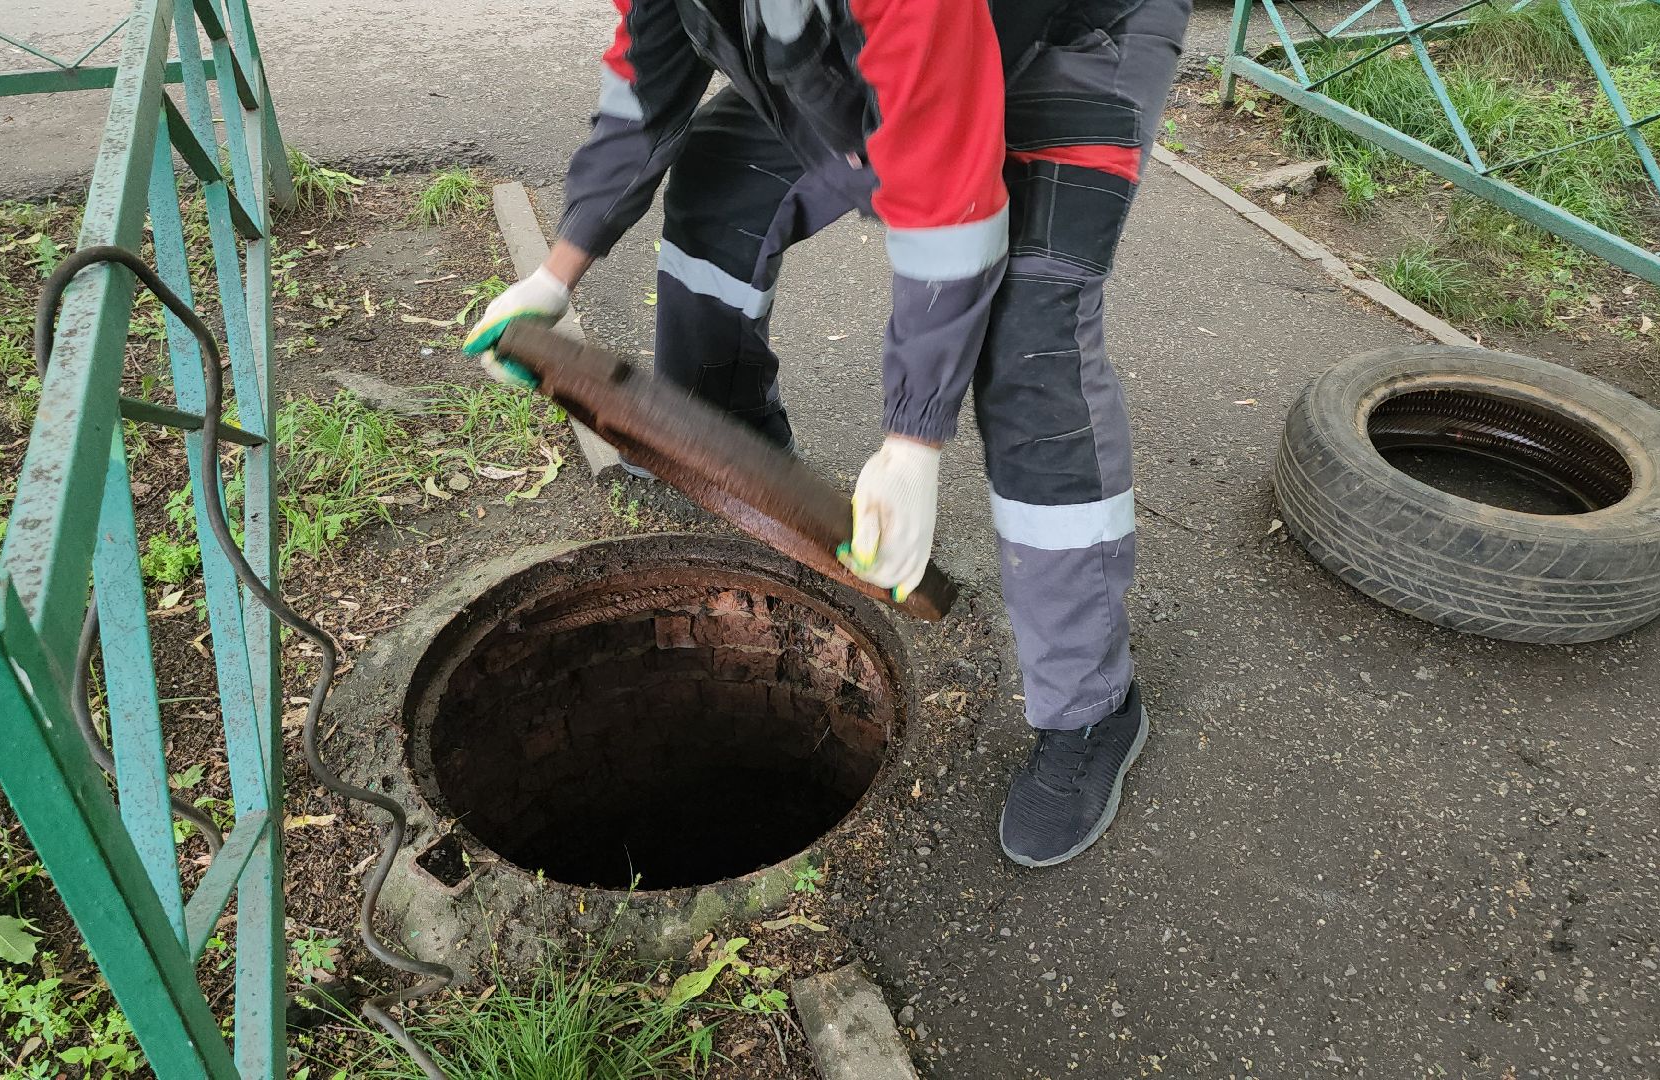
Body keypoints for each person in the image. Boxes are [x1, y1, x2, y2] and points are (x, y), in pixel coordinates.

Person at [464, 0, 1188, 867]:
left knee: (1029, 343)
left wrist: (912, 444)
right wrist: (557, 270)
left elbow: (951, 203)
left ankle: (1091, 710)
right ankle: (731, 467)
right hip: (870, 50)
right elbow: (647, 79)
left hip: (1074, 35)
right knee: (721, 186)